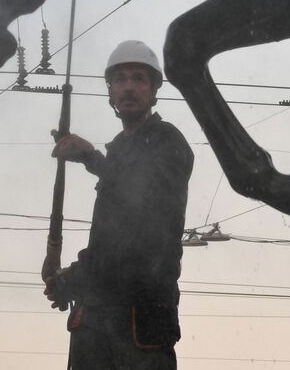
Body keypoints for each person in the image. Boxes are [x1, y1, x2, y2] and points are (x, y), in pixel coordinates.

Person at [45, 40, 195, 369]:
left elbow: (142, 217)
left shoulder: (168, 142)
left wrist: (93, 159)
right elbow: (110, 243)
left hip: (141, 325)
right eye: (120, 79)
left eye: (139, 79)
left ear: (154, 92)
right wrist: (74, 278)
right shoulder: (119, 151)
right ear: (110, 93)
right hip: (96, 325)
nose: (129, 87)